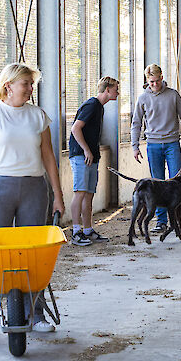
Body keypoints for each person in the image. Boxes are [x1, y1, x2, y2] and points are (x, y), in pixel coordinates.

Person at [0, 63, 66, 339]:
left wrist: (58, 194)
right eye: (26, 84)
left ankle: (35, 315)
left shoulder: (38, 116)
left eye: (32, 84)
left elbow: (48, 158)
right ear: (8, 85)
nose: (31, 89)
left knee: (34, 256)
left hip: (34, 187)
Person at [131, 64, 181, 234]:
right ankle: (161, 221)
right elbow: (136, 123)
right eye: (151, 82)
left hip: (172, 143)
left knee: (179, 183)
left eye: (158, 81)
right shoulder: (143, 98)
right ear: (146, 80)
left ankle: (178, 221)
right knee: (156, 185)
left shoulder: (173, 95)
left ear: (162, 77)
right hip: (153, 145)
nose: (155, 84)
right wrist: (135, 146)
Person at [68, 76, 120, 246]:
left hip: (91, 156)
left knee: (89, 194)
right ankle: (76, 231)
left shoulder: (99, 107)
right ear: (107, 89)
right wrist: (86, 150)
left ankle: (88, 230)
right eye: (115, 89)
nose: (117, 92)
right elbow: (75, 128)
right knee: (80, 192)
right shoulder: (91, 105)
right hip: (81, 156)